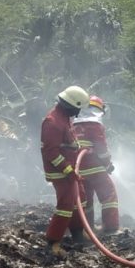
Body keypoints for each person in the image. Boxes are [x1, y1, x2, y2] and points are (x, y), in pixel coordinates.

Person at [40, 85, 89, 258]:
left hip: (70, 170)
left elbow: (67, 143)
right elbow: (51, 152)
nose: (78, 113)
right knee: (66, 206)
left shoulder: (64, 117)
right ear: (70, 105)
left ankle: (78, 234)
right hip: (60, 172)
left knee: (80, 199)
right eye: (77, 109)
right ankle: (53, 242)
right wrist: (68, 170)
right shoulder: (52, 122)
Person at [72, 95, 120, 234]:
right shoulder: (95, 125)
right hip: (95, 168)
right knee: (109, 195)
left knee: (86, 200)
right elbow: (101, 149)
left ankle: (88, 228)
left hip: (79, 169)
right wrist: (108, 164)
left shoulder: (74, 125)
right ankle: (111, 228)